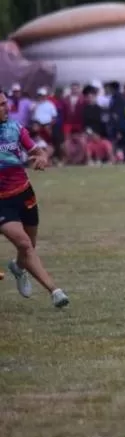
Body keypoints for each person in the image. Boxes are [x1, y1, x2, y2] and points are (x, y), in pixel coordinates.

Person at [0, 91, 70, 308]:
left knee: (29, 246)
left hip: (24, 194)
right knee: (24, 244)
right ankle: (55, 291)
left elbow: (38, 151)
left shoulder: (15, 128)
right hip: (1, 202)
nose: (6, 107)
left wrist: (41, 158)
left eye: (5, 103)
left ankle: (19, 268)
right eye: (1, 105)